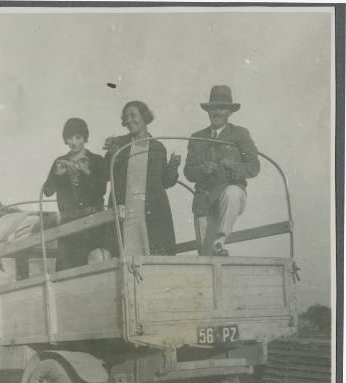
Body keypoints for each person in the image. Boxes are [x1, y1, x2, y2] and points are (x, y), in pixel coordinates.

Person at [184, 85, 260, 256]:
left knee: (232, 192)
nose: (216, 112)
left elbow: (255, 166)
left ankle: (220, 239)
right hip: (204, 202)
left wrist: (235, 166)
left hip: (229, 197)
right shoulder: (196, 137)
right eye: (213, 108)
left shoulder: (240, 133)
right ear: (208, 111)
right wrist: (202, 170)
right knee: (205, 256)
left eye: (222, 108)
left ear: (230, 112)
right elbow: (188, 172)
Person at [104, 100, 181, 256]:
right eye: (126, 118)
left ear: (145, 116)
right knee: (124, 253)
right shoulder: (119, 144)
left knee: (152, 252)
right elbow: (106, 174)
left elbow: (165, 182)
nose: (129, 120)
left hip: (151, 211)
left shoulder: (158, 148)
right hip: (126, 209)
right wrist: (111, 155)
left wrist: (173, 166)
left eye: (133, 115)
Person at [43, 118, 107, 270]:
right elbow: (47, 191)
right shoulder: (60, 161)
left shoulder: (96, 160)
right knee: (67, 268)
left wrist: (86, 171)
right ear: (65, 139)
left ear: (85, 138)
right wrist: (57, 174)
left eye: (78, 137)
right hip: (68, 225)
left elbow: (102, 190)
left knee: (94, 266)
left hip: (93, 223)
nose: (73, 142)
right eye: (69, 137)